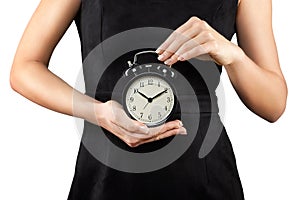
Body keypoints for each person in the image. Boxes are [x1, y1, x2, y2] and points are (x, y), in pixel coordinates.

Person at [10, 0, 287, 199]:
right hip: (107, 171)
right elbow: (24, 68)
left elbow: (274, 104)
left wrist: (233, 55)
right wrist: (96, 112)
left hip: (203, 173)